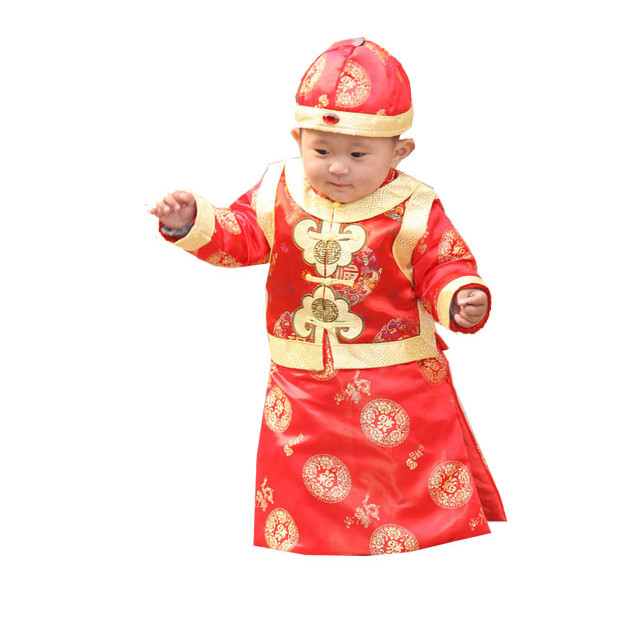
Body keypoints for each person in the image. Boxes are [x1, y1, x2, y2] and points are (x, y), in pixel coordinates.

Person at [148, 37, 506, 555]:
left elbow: (442, 263)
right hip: (302, 387)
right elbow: (243, 237)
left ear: (399, 152)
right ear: (298, 138)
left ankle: (423, 563)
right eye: (321, 151)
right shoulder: (279, 190)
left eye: (358, 155)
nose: (337, 168)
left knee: (407, 484)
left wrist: (459, 295)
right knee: (300, 488)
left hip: (398, 381)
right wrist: (193, 222)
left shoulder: (414, 207)